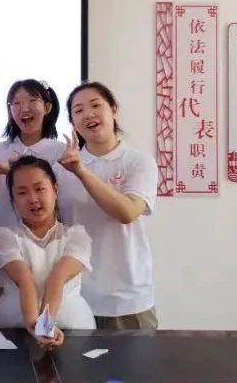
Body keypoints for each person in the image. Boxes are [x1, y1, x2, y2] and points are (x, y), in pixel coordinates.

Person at [57, 81, 158, 330]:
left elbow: (127, 212)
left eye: (95, 105)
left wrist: (81, 171)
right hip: (75, 297)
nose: (88, 114)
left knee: (137, 357)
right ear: (73, 123)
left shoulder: (138, 162)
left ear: (113, 109)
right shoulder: (60, 169)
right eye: (78, 110)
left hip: (127, 299)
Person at [0, 156, 95, 350]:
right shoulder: (6, 237)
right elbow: (24, 279)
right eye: (22, 192)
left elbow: (58, 277)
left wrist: (45, 326)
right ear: (13, 199)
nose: (33, 199)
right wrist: (37, 327)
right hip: (14, 329)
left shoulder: (77, 236)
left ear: (55, 190)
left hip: (72, 329)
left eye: (39, 189)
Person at [0, 79, 64, 314]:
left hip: (43, 256)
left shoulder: (60, 152)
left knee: (40, 325)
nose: (24, 108)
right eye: (16, 103)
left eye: (32, 100)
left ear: (47, 107)